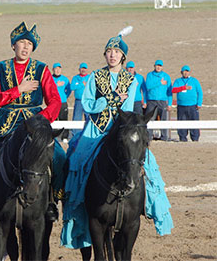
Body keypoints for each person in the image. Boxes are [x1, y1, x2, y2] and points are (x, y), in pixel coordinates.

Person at [61, 26, 174, 251]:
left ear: (123, 56)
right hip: (96, 129)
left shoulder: (130, 80)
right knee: (76, 160)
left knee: (148, 164)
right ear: (105, 55)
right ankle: (77, 205)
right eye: (109, 51)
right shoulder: (95, 76)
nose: (112, 54)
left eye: (116, 51)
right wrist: (109, 98)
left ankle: (150, 205)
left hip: (121, 129)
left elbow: (126, 108)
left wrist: (116, 105)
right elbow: (89, 105)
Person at [0, 22, 65, 221]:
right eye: (21, 42)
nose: (25, 47)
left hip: (35, 123)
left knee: (60, 158)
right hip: (6, 123)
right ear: (13, 45)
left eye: (29, 44)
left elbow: (55, 101)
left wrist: (41, 120)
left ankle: (51, 201)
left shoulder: (41, 69)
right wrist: (18, 90)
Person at [172, 65, 203, 141]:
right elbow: (173, 90)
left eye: (187, 71)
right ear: (181, 72)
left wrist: (199, 103)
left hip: (192, 106)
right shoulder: (178, 81)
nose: (186, 73)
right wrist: (183, 88)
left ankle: (195, 138)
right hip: (181, 106)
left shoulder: (194, 81)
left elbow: (200, 92)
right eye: (184, 71)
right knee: (182, 123)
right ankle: (182, 138)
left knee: (194, 122)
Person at [145, 59, 173, 141]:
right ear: (154, 66)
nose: (158, 67)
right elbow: (148, 86)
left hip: (162, 101)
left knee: (163, 119)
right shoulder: (150, 75)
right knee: (150, 119)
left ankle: (164, 137)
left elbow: (169, 91)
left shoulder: (166, 76)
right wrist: (159, 83)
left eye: (160, 66)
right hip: (152, 101)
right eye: (157, 65)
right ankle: (149, 137)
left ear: (162, 67)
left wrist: (170, 103)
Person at [52, 62, 71, 143]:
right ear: (53, 70)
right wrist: (56, 84)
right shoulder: (50, 78)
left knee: (64, 119)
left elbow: (69, 89)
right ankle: (54, 136)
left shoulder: (65, 79)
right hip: (53, 103)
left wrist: (64, 97)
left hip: (62, 103)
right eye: (56, 69)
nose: (57, 70)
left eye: (59, 69)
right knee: (54, 120)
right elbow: (48, 87)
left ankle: (65, 136)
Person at [70, 62, 90, 136]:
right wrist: (82, 84)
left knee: (88, 117)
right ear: (79, 69)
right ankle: (75, 134)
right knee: (76, 117)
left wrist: (78, 85)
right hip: (78, 101)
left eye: (85, 68)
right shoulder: (75, 78)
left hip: (87, 101)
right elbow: (72, 87)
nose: (83, 70)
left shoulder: (89, 77)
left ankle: (87, 133)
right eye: (82, 68)